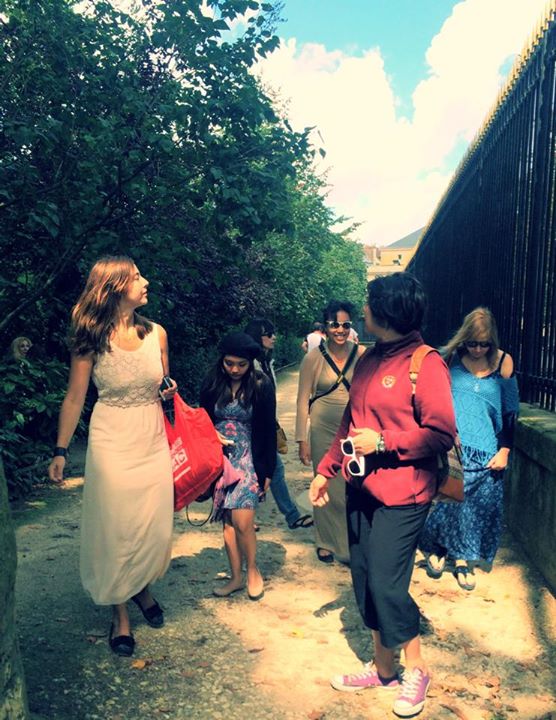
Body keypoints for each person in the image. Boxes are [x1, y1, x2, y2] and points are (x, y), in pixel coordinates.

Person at [310, 273, 456, 718]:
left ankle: (417, 670)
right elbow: (348, 424)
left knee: (386, 585)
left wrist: (384, 442)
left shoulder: (425, 363)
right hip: (361, 488)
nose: (363, 310)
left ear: (387, 312)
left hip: (404, 494)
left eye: (369, 303)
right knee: (364, 578)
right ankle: (383, 668)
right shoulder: (369, 358)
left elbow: (441, 432)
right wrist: (325, 470)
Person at [48, 256, 177, 657]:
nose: (146, 281)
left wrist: (169, 392)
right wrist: (60, 450)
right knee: (117, 526)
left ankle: (140, 587)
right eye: (137, 277)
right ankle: (120, 613)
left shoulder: (157, 333)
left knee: (151, 525)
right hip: (111, 438)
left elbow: (165, 386)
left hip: (151, 435)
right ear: (115, 287)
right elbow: (75, 397)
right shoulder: (90, 336)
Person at [419, 307, 519, 591]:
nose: (477, 349)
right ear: (464, 338)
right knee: (449, 500)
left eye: (484, 344)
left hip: (488, 449)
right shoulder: (450, 358)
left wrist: (505, 450)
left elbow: (510, 412)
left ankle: (460, 558)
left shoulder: (504, 362)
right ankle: (441, 549)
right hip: (453, 446)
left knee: (475, 508)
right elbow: (434, 398)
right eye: (472, 343)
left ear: (492, 341)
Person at [199, 332, 276, 601]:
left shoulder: (260, 384)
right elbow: (202, 420)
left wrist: (268, 469)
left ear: (250, 363)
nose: (234, 369)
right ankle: (235, 577)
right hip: (220, 459)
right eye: (229, 363)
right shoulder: (211, 382)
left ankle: (253, 571)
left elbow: (268, 428)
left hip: (249, 459)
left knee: (244, 521)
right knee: (228, 522)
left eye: (241, 364)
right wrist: (211, 437)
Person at [296, 301, 365, 564]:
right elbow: (303, 400)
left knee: (353, 483)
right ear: (326, 326)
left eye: (346, 325)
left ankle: (350, 540)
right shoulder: (313, 358)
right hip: (322, 428)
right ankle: (325, 541)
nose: (340, 330)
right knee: (324, 483)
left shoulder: (361, 354)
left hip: (353, 428)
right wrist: (302, 439)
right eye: (335, 324)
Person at [244, 318, 313, 530]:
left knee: (266, 470)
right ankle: (284, 515)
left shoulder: (265, 362)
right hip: (251, 428)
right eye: (268, 334)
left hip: (265, 426)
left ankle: (252, 516)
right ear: (257, 337)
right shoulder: (249, 364)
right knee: (269, 469)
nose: (273, 337)